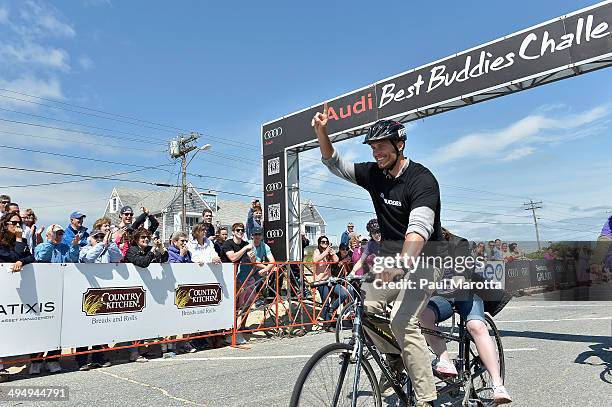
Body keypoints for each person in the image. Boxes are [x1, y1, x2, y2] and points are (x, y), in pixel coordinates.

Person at [314, 112, 444, 406]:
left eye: (381, 146)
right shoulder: (375, 174)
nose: (376, 152)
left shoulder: (422, 180)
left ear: (400, 145)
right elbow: (334, 163)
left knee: (403, 320)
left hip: (426, 260)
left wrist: (401, 265)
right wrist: (322, 132)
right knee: (368, 309)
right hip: (390, 259)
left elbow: (419, 229)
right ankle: (396, 358)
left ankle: (425, 399)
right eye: (372, 147)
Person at [420, 295, 512, 404]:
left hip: (469, 294)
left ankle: (498, 384)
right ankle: (444, 360)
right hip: (441, 296)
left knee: (477, 327)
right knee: (423, 316)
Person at [31, 224, 81, 374]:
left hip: (61, 290)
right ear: (48, 235)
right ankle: (36, 360)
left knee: (57, 326)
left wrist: (74, 246)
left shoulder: (65, 247)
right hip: (42, 290)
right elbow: (41, 258)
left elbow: (73, 260)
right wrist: (50, 243)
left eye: (60, 234)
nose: (58, 236)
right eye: (55, 234)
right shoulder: (41, 246)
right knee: (40, 327)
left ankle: (53, 359)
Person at [0, 211, 36, 382]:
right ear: (5, 224)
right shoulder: (2, 240)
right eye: (14, 223)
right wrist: (20, 242)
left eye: (19, 224)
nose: (17, 227)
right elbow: (12, 256)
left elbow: (31, 256)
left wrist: (23, 261)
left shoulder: (20, 240)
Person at [222, 222, 254, 345]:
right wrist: (245, 249)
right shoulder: (228, 243)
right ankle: (230, 332)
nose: (240, 232)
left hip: (240, 279)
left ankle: (238, 329)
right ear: (233, 232)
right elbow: (233, 258)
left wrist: (252, 257)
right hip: (226, 278)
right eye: (238, 230)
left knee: (243, 305)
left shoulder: (246, 244)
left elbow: (252, 260)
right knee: (232, 306)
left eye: (242, 230)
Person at [312, 236, 348, 331]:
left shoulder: (328, 252)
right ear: (319, 243)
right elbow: (315, 260)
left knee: (344, 294)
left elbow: (336, 260)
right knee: (325, 302)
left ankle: (332, 310)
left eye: (326, 242)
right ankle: (328, 325)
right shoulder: (317, 251)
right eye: (323, 242)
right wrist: (325, 252)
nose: (325, 243)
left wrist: (331, 253)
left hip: (329, 279)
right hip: (320, 281)